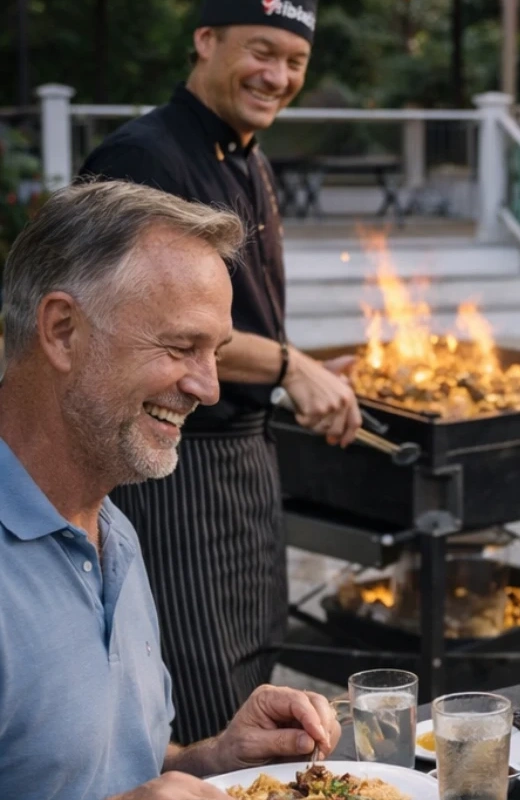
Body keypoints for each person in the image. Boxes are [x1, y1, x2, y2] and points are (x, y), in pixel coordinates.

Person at [77, 0, 362, 743]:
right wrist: (289, 365)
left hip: (249, 457)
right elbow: (152, 332)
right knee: (205, 689)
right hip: (180, 465)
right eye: (261, 51)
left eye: (295, 61)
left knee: (257, 671)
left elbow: (241, 321)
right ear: (205, 40)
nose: (278, 75)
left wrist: (304, 368)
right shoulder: (143, 158)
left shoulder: (250, 157)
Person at [0, 180, 341, 800]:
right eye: (182, 347)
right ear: (62, 330)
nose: (209, 388)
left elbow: (89, 764)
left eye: (216, 352)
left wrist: (215, 758)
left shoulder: (113, 529)